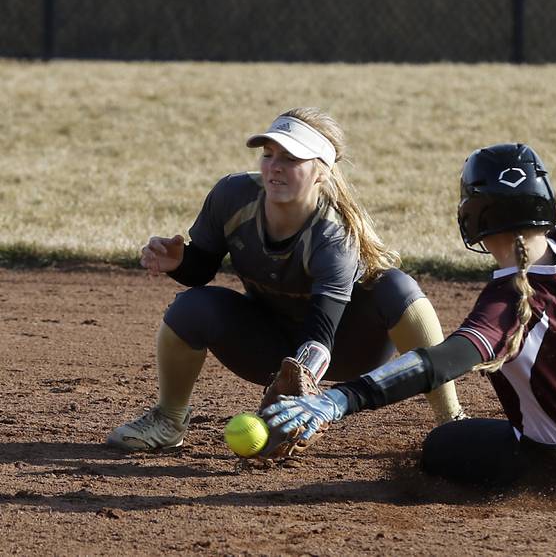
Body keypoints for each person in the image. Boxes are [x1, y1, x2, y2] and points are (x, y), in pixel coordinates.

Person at [263, 0, 556, 489]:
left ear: (474, 218)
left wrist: (340, 398)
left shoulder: (507, 303)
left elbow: (435, 363)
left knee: (440, 448)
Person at [106, 106, 466, 456]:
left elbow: (320, 336)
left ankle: (452, 421)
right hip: (269, 343)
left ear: (321, 172)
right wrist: (179, 261)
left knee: (396, 287)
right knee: (192, 308)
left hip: (348, 347)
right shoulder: (232, 197)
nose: (275, 166)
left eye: (292, 159)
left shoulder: (333, 236)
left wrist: (297, 396)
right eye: (268, 154)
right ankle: (168, 421)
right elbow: (201, 271)